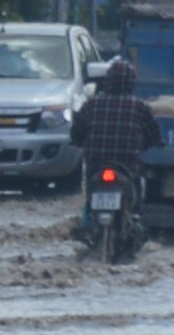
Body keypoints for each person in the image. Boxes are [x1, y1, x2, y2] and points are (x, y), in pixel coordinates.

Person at [64, 53, 160, 233]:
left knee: (90, 190)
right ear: (131, 82)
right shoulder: (140, 107)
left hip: (96, 164)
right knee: (138, 187)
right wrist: (155, 143)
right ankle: (136, 215)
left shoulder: (92, 104)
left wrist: (76, 140)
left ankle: (87, 220)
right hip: (127, 166)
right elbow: (153, 133)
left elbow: (77, 130)